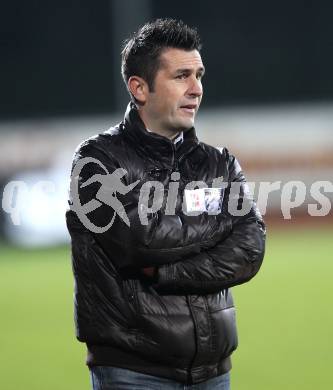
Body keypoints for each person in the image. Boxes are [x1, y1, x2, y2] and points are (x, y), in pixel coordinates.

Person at [66, 18, 266, 390]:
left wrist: (167, 273)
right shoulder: (97, 162)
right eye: (181, 77)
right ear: (139, 88)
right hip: (134, 374)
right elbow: (140, 242)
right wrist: (219, 219)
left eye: (199, 75)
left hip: (214, 372)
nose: (196, 89)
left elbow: (250, 249)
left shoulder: (219, 162)